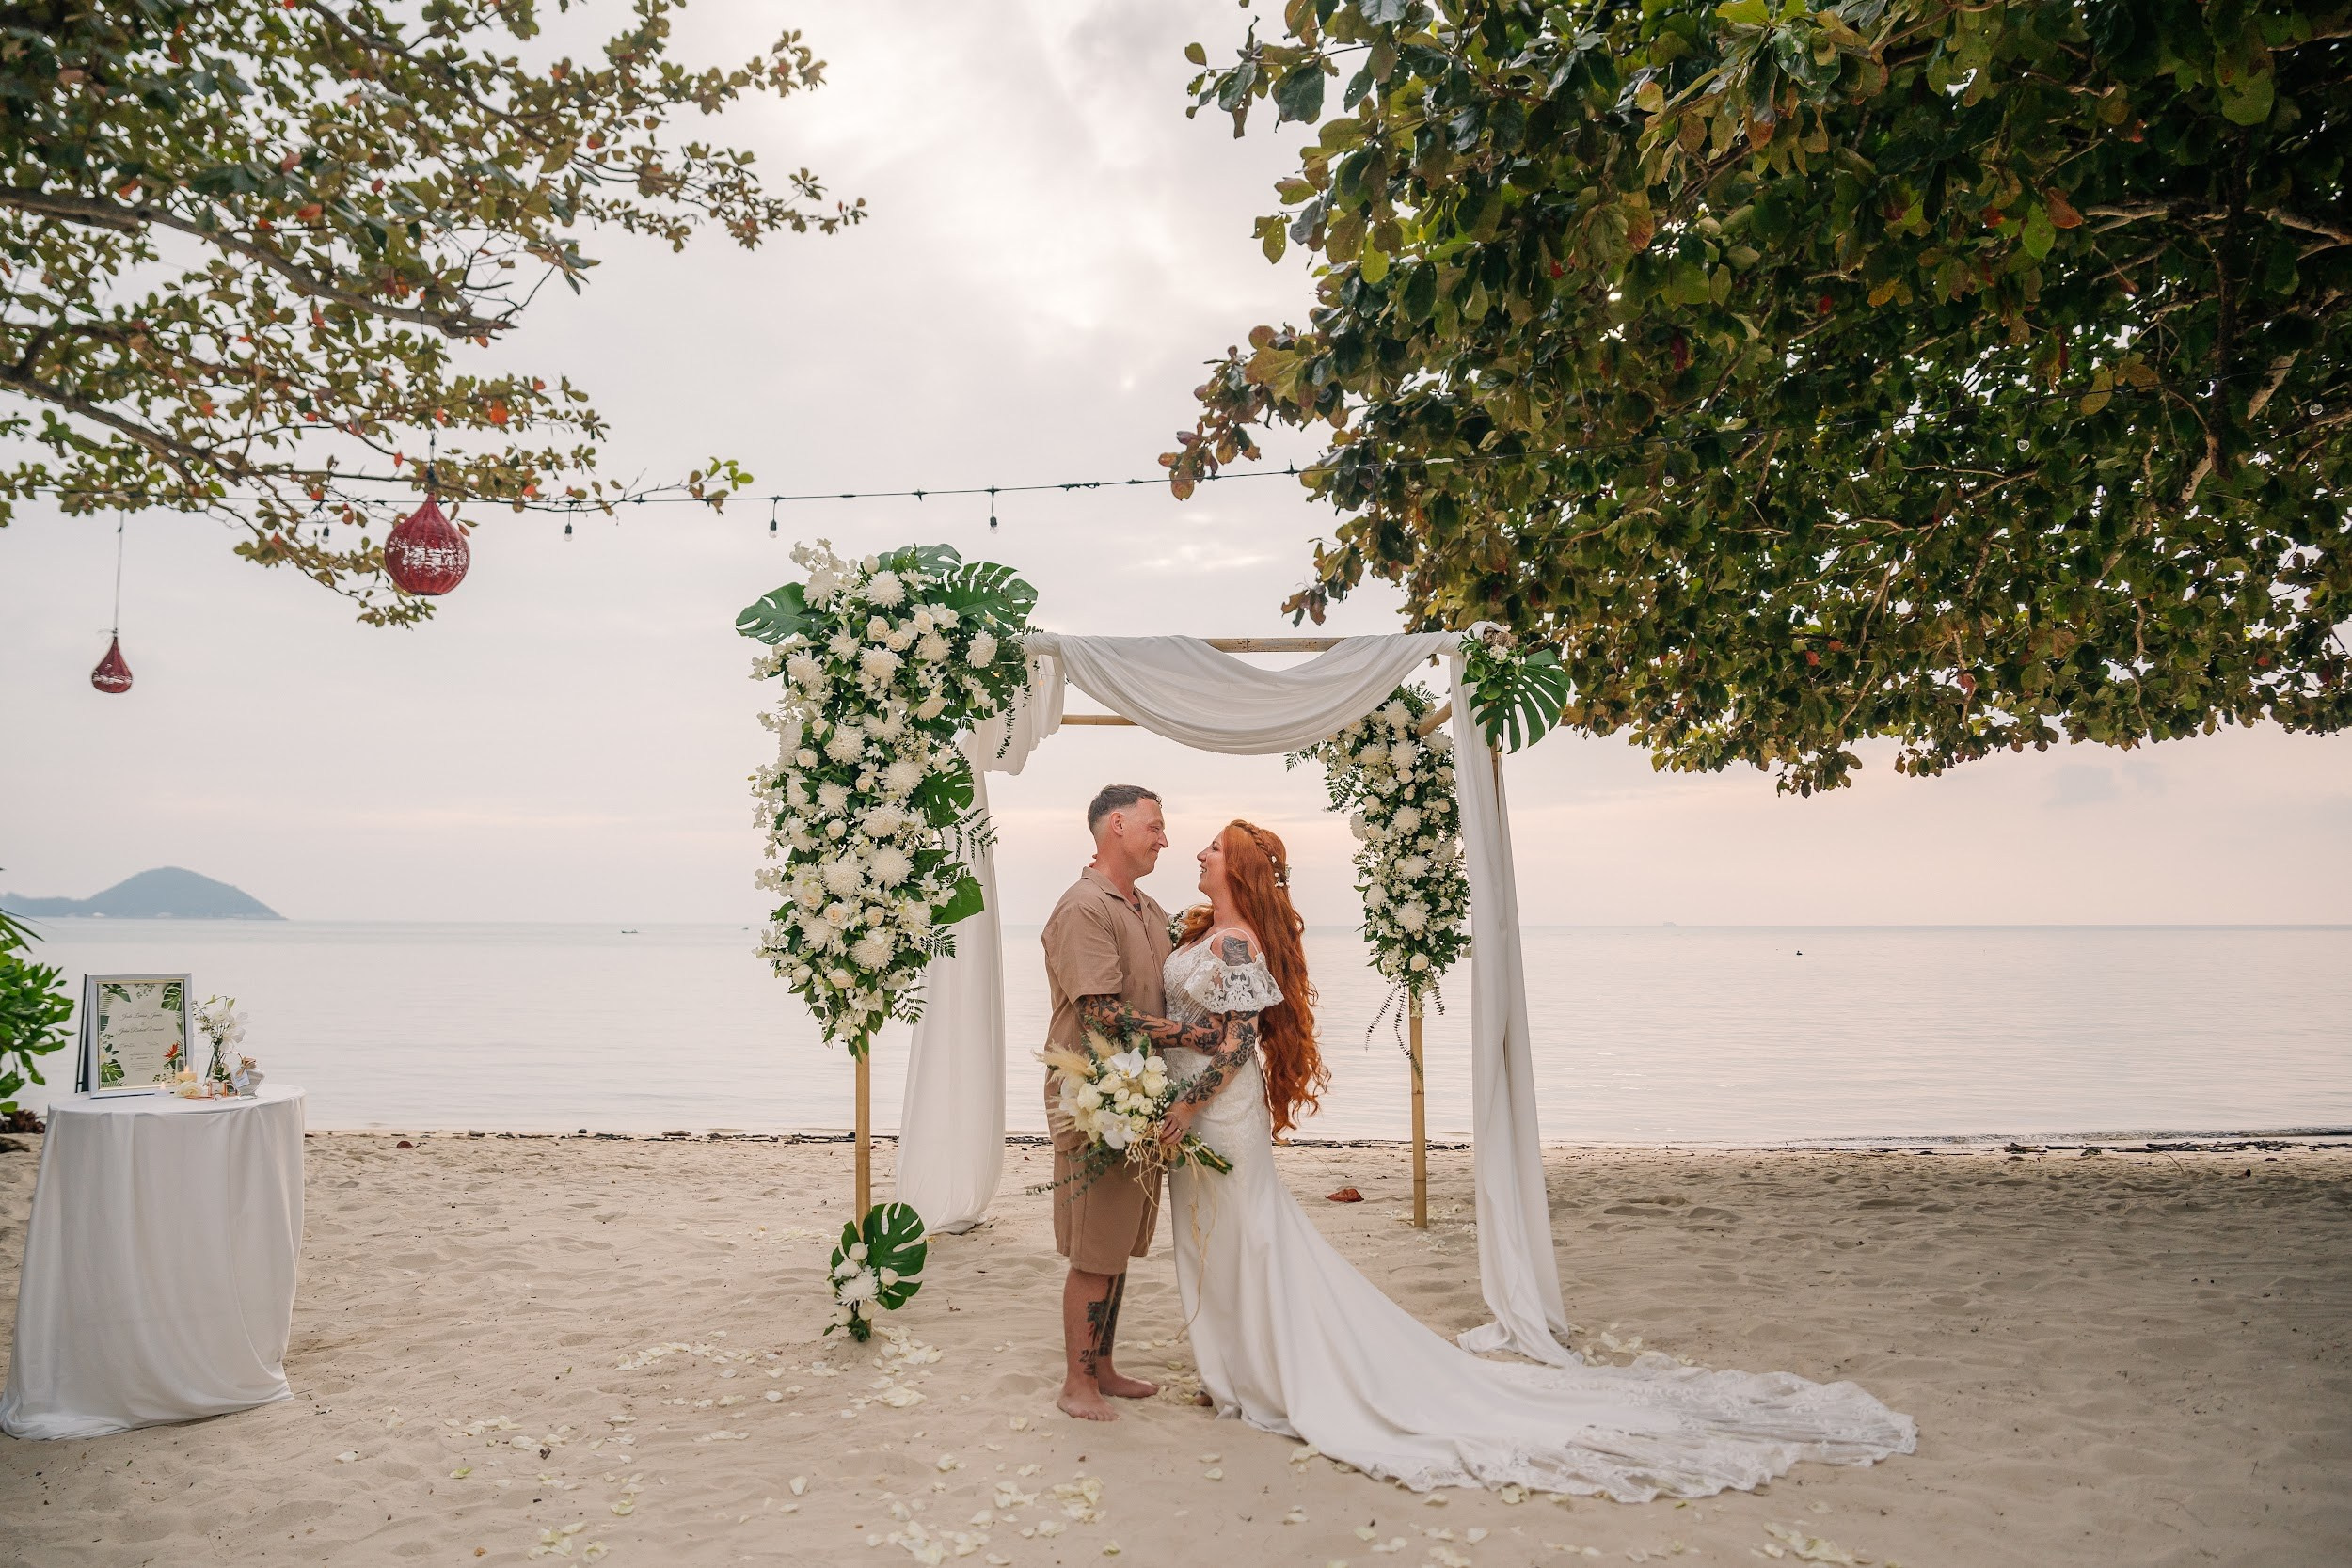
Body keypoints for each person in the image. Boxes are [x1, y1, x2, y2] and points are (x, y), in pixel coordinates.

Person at [1155, 819, 1917, 1499]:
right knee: (1208, 1235)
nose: (1198, 851)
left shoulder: (1234, 944)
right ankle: (1231, 1368)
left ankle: (1256, 1373)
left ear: (1241, 867)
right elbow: (1200, 1028)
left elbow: (1237, 1042)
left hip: (1219, 1113)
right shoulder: (1198, 933)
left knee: (1246, 1235)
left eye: (1213, 847)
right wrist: (1157, 1051)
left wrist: (1185, 1101)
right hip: (1189, 1107)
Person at [1040, 784, 1220, 1422]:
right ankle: (1076, 1384)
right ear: (1117, 824)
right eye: (1155, 825)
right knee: (1093, 1244)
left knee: (1117, 1239)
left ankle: (1105, 1368)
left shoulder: (1147, 907)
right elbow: (1101, 1009)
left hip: (1139, 1095)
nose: (1165, 838)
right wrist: (1197, 1037)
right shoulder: (1084, 906)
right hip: (1094, 1097)